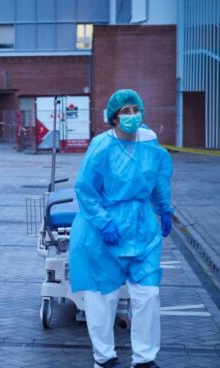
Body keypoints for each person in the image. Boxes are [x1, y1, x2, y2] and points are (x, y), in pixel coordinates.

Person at [69, 89, 173, 368]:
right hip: (106, 227)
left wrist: (164, 208)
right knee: (102, 297)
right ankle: (104, 358)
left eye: (135, 109)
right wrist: (104, 223)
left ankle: (145, 359)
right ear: (113, 118)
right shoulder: (101, 146)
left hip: (142, 225)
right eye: (124, 112)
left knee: (148, 294)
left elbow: (159, 178)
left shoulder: (149, 140)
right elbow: (86, 189)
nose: (131, 116)